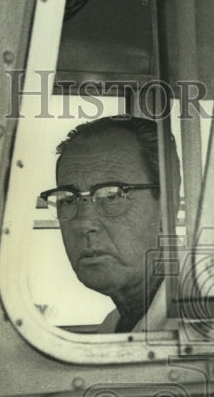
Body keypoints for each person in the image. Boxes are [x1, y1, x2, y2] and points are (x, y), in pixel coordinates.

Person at [40, 116, 180, 333]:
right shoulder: (112, 326)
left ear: (168, 205)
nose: (83, 223)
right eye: (68, 199)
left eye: (112, 195)